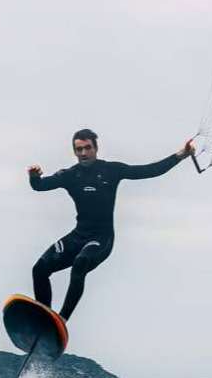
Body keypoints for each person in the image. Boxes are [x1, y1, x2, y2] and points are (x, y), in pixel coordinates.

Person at [27, 129, 195, 322]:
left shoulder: (111, 170)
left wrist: (181, 155)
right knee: (39, 269)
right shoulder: (70, 175)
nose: (83, 153)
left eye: (87, 148)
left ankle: (61, 320)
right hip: (78, 236)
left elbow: (150, 170)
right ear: (74, 152)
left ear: (96, 148)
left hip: (101, 239)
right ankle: (45, 320)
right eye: (79, 149)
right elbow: (39, 186)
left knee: (81, 262)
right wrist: (34, 176)